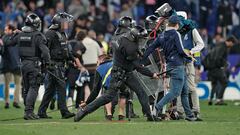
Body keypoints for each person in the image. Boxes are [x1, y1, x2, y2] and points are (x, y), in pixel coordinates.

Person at [74, 25, 160, 122]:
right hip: (119, 73)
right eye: (141, 39)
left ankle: (149, 116)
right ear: (134, 37)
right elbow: (138, 67)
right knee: (108, 97)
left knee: (141, 93)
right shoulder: (131, 48)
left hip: (125, 71)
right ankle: (84, 111)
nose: (142, 42)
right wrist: (152, 74)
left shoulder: (124, 39)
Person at [143, 15, 197, 121]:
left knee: (184, 91)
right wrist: (189, 57)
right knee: (175, 92)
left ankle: (189, 116)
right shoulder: (176, 34)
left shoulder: (162, 35)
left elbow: (151, 47)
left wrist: (142, 59)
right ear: (177, 24)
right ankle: (156, 110)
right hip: (178, 65)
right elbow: (181, 50)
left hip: (170, 65)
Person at [3, 13, 50, 120]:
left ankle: (28, 111)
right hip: (34, 64)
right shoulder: (38, 35)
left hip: (22, 64)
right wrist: (48, 63)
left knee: (26, 88)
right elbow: (45, 51)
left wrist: (8, 33)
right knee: (34, 87)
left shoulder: (19, 35)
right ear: (36, 24)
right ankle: (28, 112)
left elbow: (7, 43)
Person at [38, 12, 75, 119]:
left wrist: (72, 59)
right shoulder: (50, 33)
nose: (68, 24)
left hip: (61, 64)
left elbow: (65, 50)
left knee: (50, 90)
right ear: (59, 23)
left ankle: (41, 112)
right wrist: (47, 63)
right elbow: (44, 50)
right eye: (65, 22)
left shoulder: (63, 34)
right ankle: (64, 112)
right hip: (54, 65)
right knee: (62, 87)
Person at [80, 54, 128, 121]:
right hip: (121, 80)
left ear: (101, 60)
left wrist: (87, 102)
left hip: (110, 82)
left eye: (97, 61)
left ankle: (109, 115)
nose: (97, 64)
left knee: (106, 95)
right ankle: (121, 114)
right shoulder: (116, 63)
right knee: (123, 95)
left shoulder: (100, 67)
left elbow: (95, 90)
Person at [176, 11, 204, 119]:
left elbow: (201, 44)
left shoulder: (192, 30)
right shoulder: (175, 31)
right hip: (177, 62)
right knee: (178, 88)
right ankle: (180, 112)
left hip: (188, 62)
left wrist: (191, 52)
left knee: (191, 87)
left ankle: (195, 110)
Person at [206, 36, 237, 105]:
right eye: (232, 44)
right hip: (216, 67)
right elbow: (218, 58)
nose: (232, 46)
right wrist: (224, 64)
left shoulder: (219, 45)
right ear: (230, 42)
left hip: (211, 67)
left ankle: (211, 99)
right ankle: (219, 99)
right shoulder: (223, 47)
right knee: (225, 82)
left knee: (214, 84)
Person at [1, 24, 22, 109]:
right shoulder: (17, 37)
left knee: (9, 84)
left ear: (11, 30)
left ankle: (8, 101)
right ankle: (14, 101)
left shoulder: (5, 38)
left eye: (6, 29)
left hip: (9, 64)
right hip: (15, 63)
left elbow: (6, 43)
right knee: (16, 84)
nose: (5, 31)